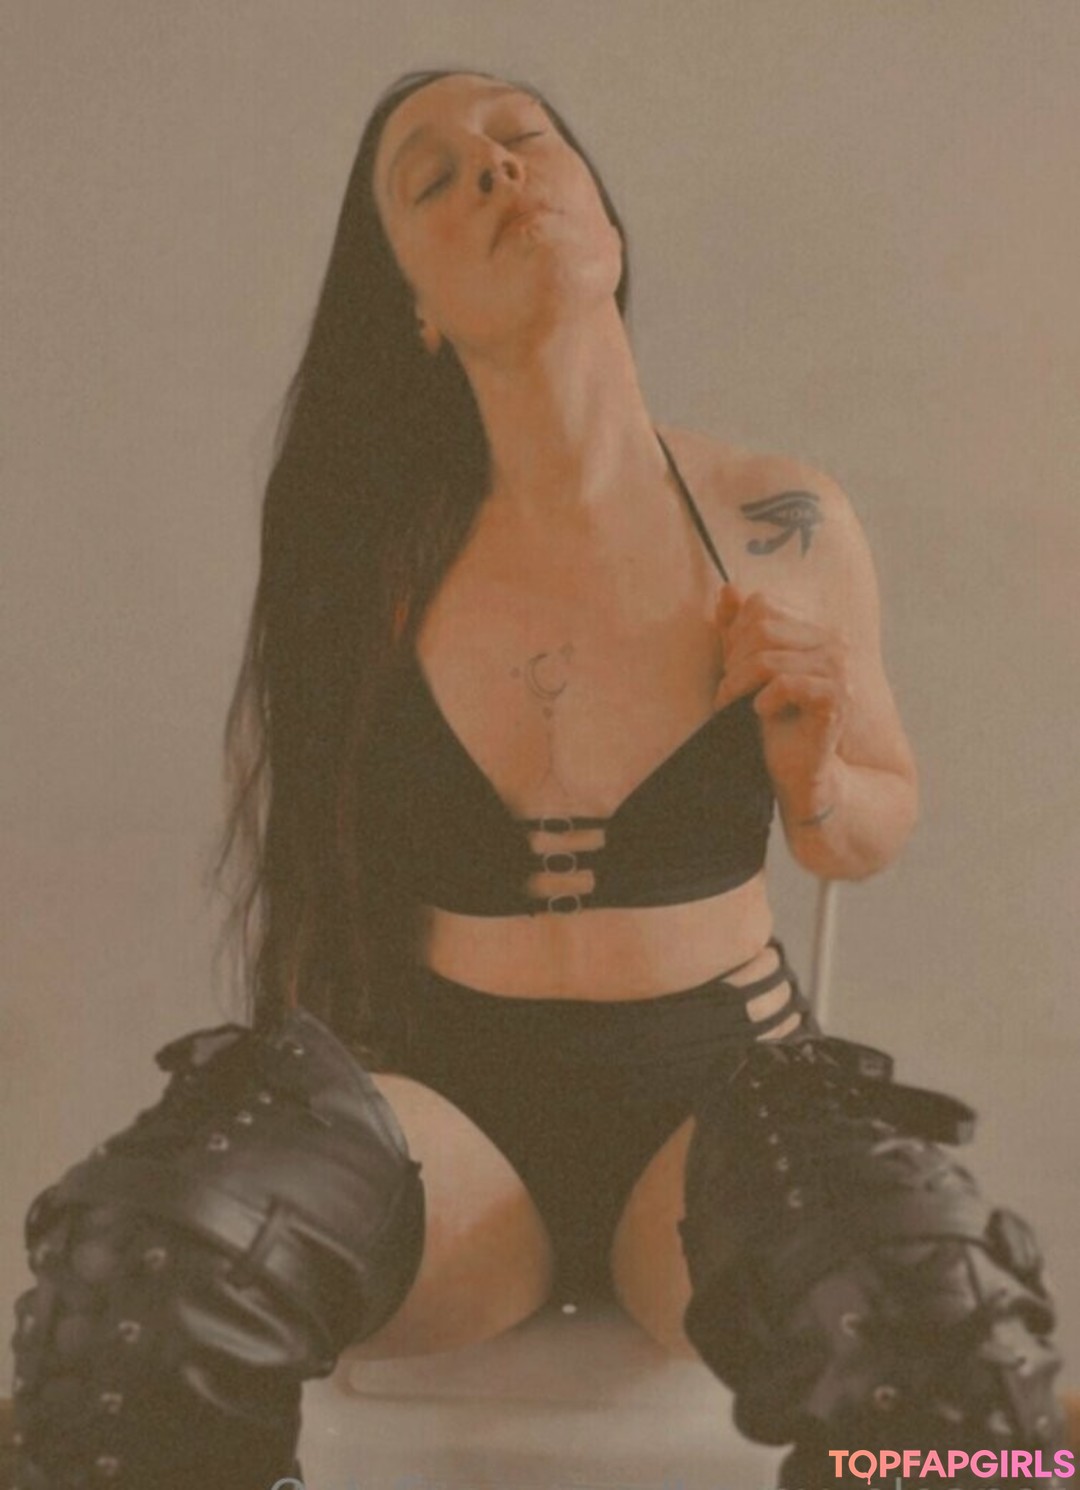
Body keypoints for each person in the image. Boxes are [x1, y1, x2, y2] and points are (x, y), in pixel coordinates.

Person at [12, 69, 1066, 1490]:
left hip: (718, 1104)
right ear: (414, 305)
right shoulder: (366, 558)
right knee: (141, 1281)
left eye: (521, 142)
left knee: (943, 1350)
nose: (497, 174)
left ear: (605, 222)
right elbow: (327, 884)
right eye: (436, 180)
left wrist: (816, 767)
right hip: (451, 1123)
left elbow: (864, 829)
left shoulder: (780, 518)